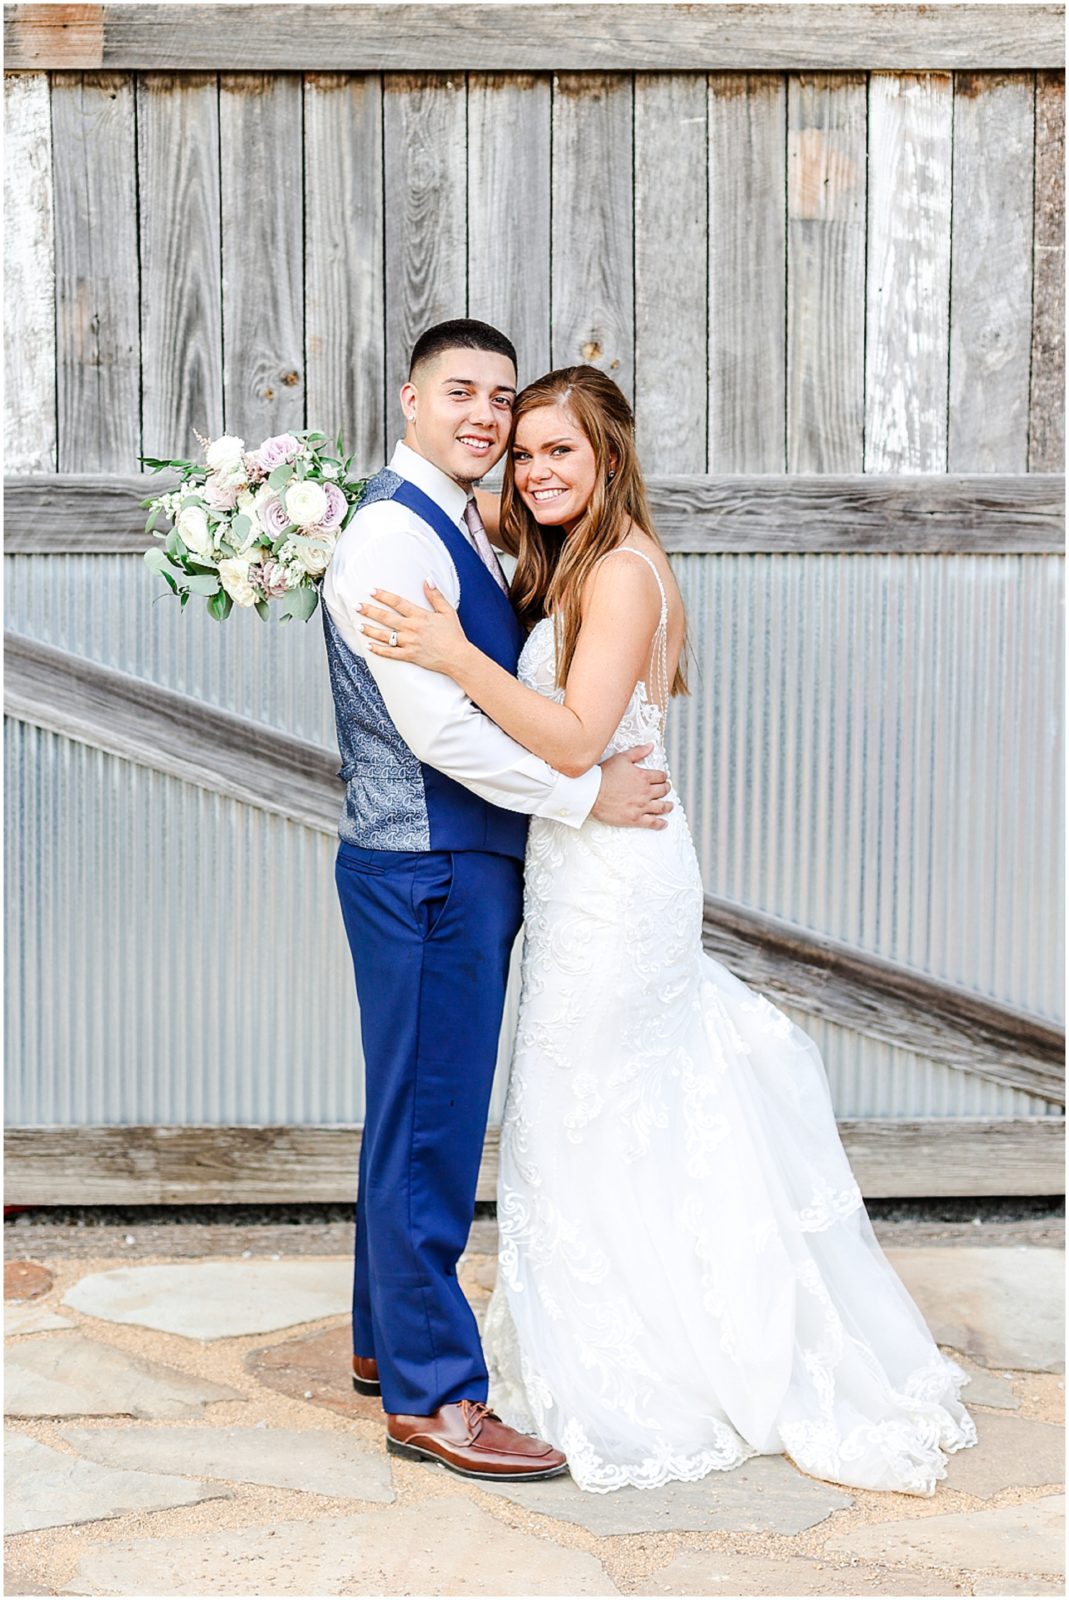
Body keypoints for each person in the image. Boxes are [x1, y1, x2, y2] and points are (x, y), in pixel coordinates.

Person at [356, 363, 978, 1496]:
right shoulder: (564, 540)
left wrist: (451, 655)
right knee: (577, 1101)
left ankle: (664, 1340)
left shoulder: (625, 574)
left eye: (561, 453)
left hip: (615, 866)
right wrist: (316, 507)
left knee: (599, 1095)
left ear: (611, 461)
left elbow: (574, 739)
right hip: (579, 864)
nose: (533, 469)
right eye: (524, 449)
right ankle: (552, 1320)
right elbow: (451, 497)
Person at [321, 321, 673, 1483]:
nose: (486, 416)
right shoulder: (388, 538)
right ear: (411, 397)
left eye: (502, 398)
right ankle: (436, 1397)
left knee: (411, 1111)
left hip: (450, 864)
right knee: (429, 1128)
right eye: (462, 392)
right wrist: (583, 798)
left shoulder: (465, 523)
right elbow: (441, 732)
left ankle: (386, 1344)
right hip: (429, 863)